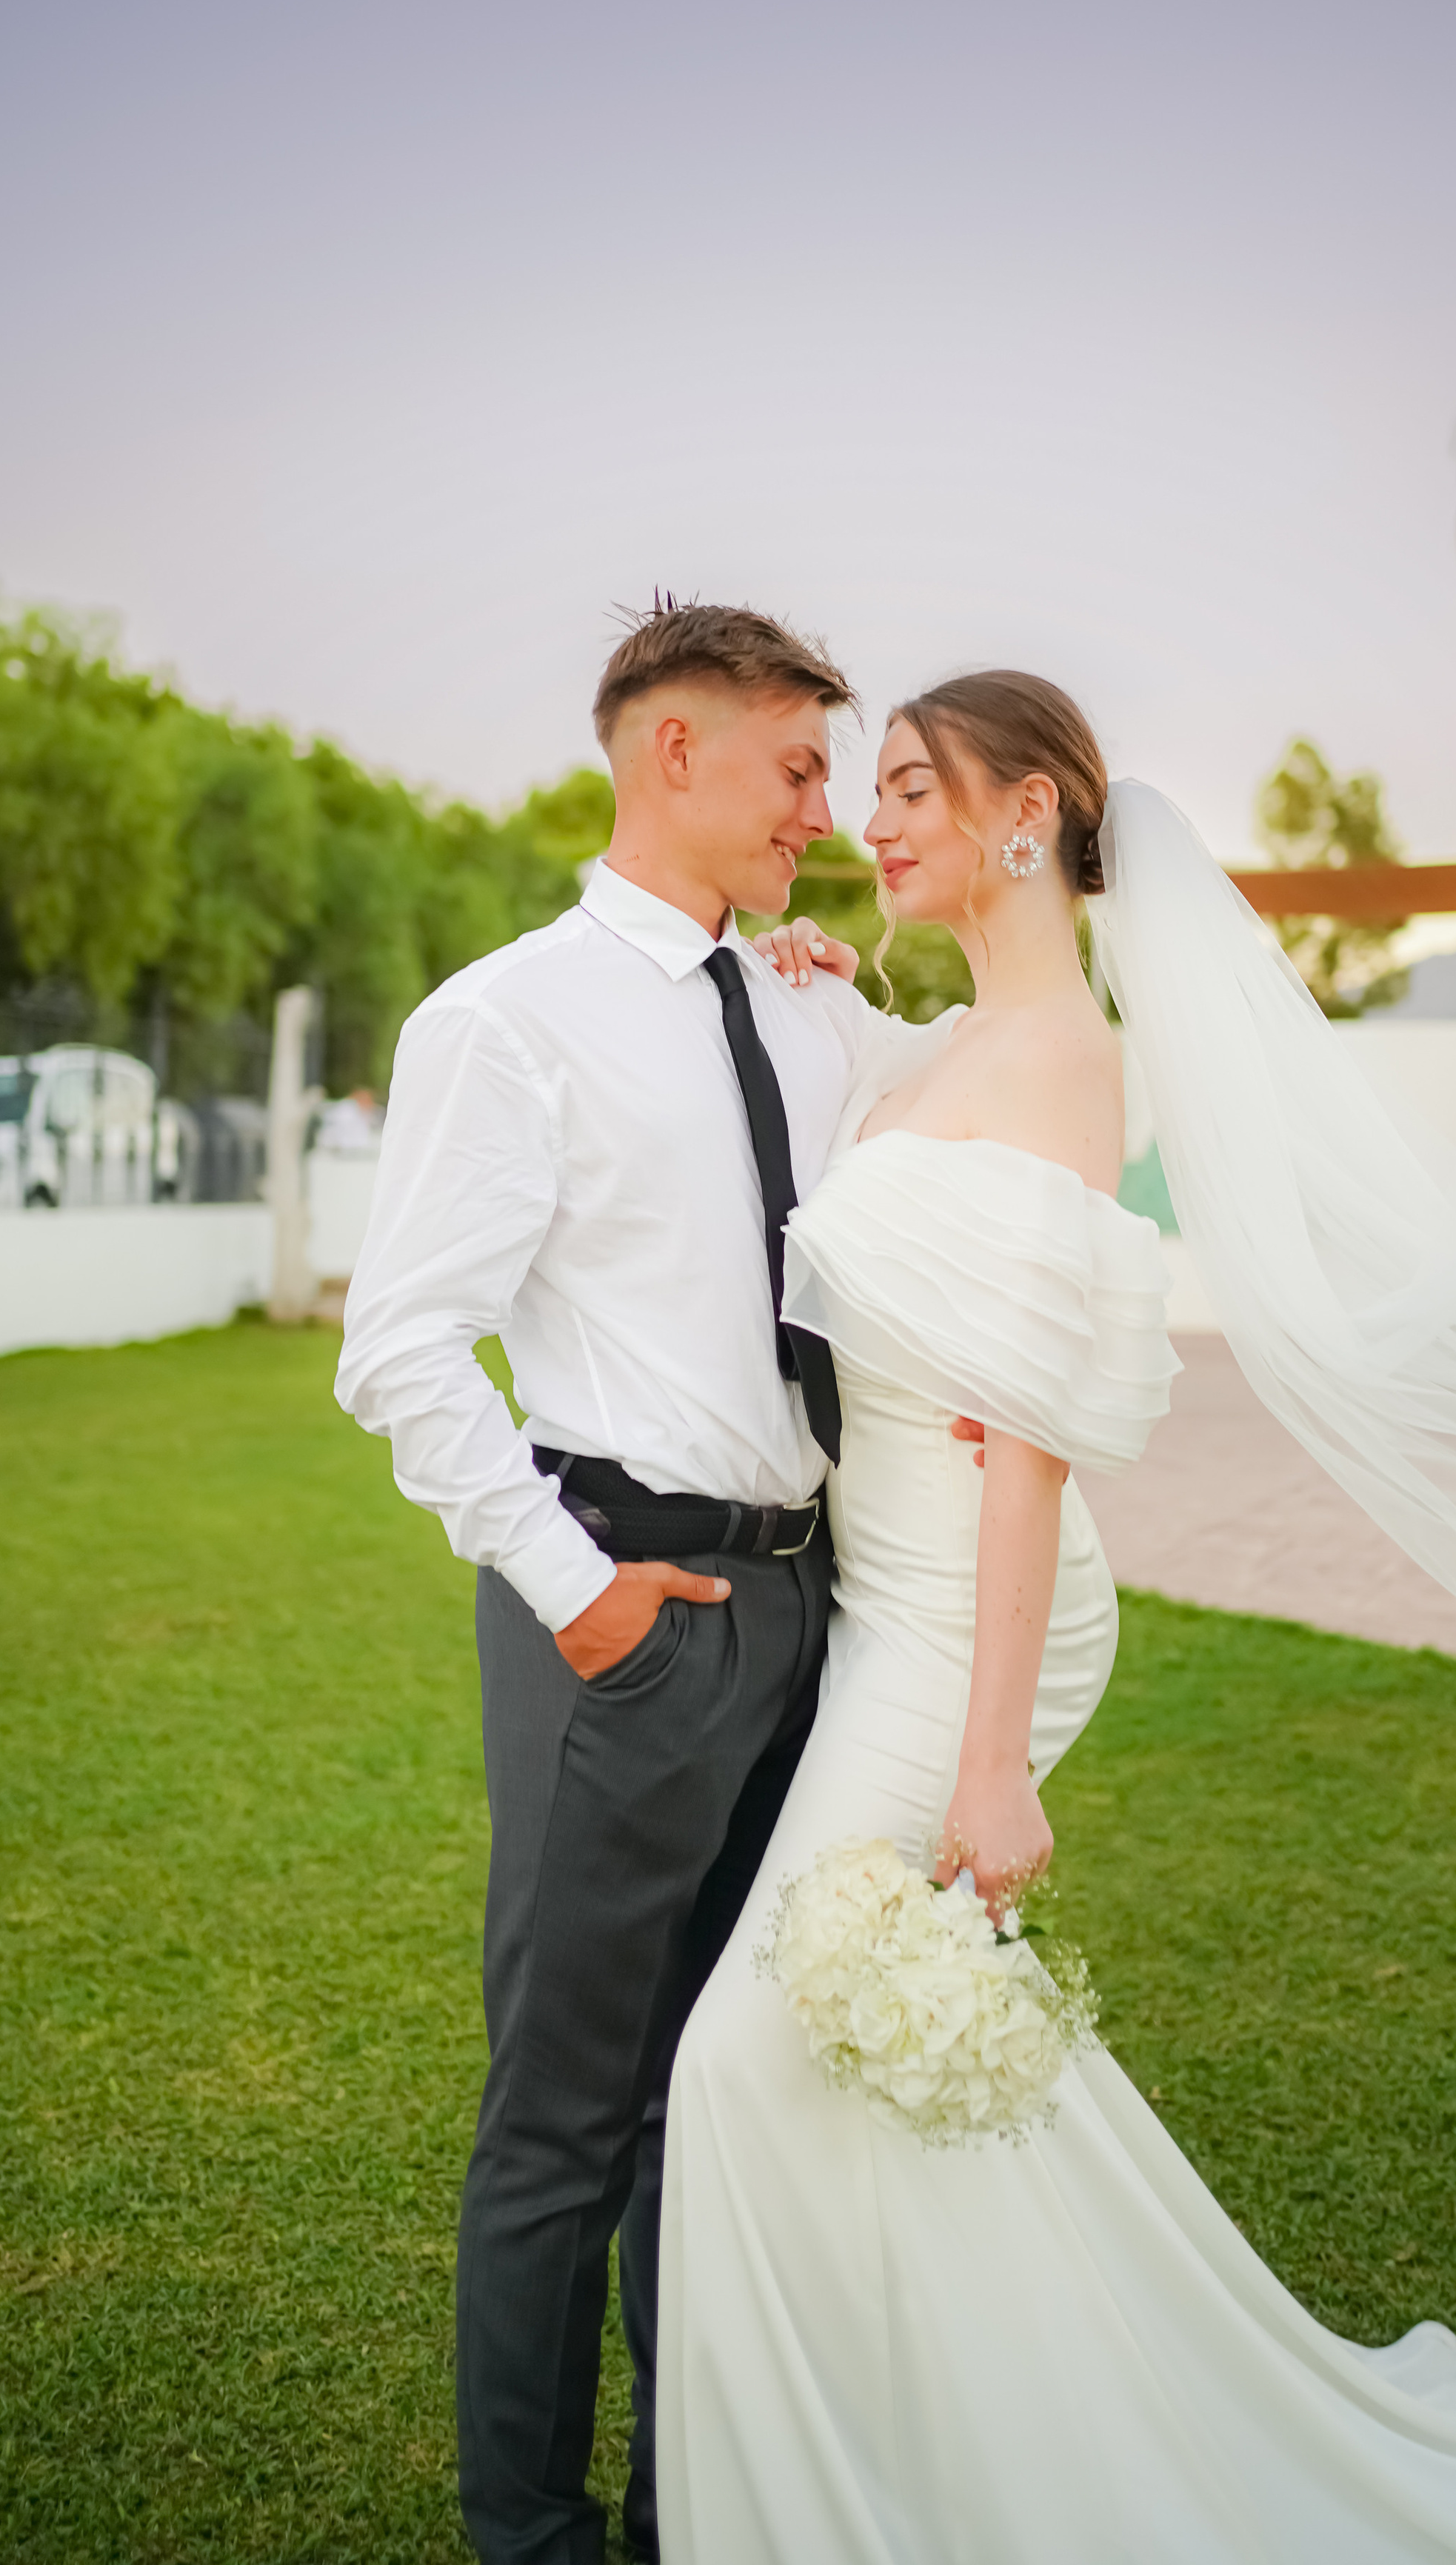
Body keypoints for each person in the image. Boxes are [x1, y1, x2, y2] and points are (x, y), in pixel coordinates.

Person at [656, 670, 1456, 2561]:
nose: (869, 819)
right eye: (867, 790)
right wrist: (828, 994)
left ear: (1024, 819)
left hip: (971, 1623)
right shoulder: (955, 1040)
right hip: (894, 1599)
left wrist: (991, 1767)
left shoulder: (1062, 1057)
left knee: (746, 2057)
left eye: (908, 786)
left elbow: (1031, 1441)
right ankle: (950, 2458)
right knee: (860, 2054)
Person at [335, 604, 946, 2565]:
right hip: (625, 1616)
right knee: (566, 2124)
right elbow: (403, 1350)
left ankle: (706, 2513)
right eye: (794, 769)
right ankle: (534, 2537)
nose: (823, 813)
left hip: (808, 1617)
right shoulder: (503, 1018)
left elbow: (1010, 1102)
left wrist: (919, 956)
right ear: (671, 754)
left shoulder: (801, 1003)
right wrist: (571, 1587)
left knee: (720, 2106)